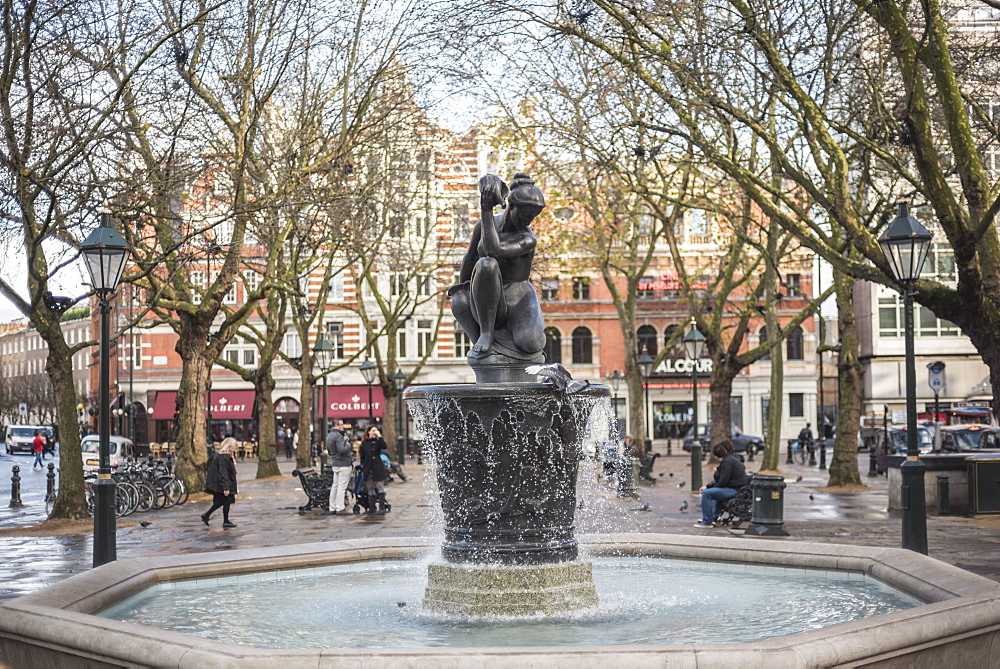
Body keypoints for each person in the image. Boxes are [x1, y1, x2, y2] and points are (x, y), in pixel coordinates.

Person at [449, 172, 546, 359]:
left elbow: (493, 249)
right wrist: (462, 288)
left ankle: (507, 337)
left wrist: (485, 209)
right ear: (511, 206)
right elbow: (470, 257)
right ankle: (485, 334)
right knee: (485, 266)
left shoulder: (527, 238)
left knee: (531, 343)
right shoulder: (485, 224)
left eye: (534, 216)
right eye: (526, 214)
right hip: (488, 295)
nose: (529, 221)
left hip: (518, 298)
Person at [694, 440, 749, 529]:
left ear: (717, 456)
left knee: (707, 493)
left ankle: (707, 521)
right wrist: (709, 486)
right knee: (713, 493)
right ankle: (713, 518)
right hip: (738, 489)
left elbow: (723, 481)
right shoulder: (730, 460)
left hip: (734, 490)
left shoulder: (727, 462)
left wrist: (709, 488)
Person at [201, 437, 239, 529]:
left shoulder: (216, 455)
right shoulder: (224, 457)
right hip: (221, 484)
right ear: (229, 446)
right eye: (234, 446)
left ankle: (206, 515)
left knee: (219, 502)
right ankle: (225, 521)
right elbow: (223, 472)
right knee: (226, 501)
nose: (235, 448)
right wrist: (225, 487)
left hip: (216, 483)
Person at [326, 419, 354, 515]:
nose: (343, 426)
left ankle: (332, 507)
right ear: (336, 425)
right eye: (341, 425)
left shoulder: (329, 436)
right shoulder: (339, 436)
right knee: (342, 486)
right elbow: (342, 450)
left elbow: (329, 451)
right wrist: (348, 444)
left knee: (335, 486)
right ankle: (340, 507)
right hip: (343, 464)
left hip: (335, 463)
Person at [360, 425, 389, 514]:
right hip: (368, 468)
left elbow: (384, 446)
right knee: (370, 488)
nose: (374, 432)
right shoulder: (364, 444)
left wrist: (380, 436)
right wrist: (363, 467)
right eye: (373, 430)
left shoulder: (378, 442)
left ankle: (382, 508)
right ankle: (372, 508)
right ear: (368, 432)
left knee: (380, 487)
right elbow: (362, 457)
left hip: (378, 467)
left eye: (376, 430)